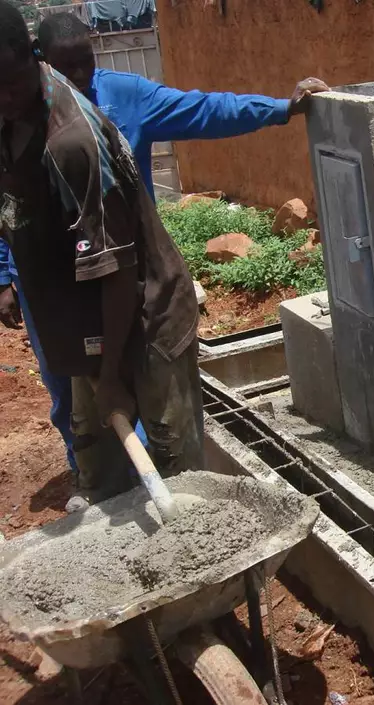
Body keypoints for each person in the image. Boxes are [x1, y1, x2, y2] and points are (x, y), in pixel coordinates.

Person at [0, 11, 328, 496]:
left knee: (171, 448)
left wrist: (280, 108)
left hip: (134, 295)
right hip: (67, 303)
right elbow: (13, 207)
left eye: (87, 64)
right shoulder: (14, 115)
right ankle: (104, 489)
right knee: (80, 419)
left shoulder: (87, 129)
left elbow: (205, 110)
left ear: (30, 58)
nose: (81, 78)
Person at [1, 0, 199, 506]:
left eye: (5, 81)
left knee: (180, 482)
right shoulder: (9, 116)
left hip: (143, 315)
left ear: (30, 56)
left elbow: (118, 272)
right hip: (85, 325)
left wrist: (110, 377)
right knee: (102, 480)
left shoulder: (71, 141)